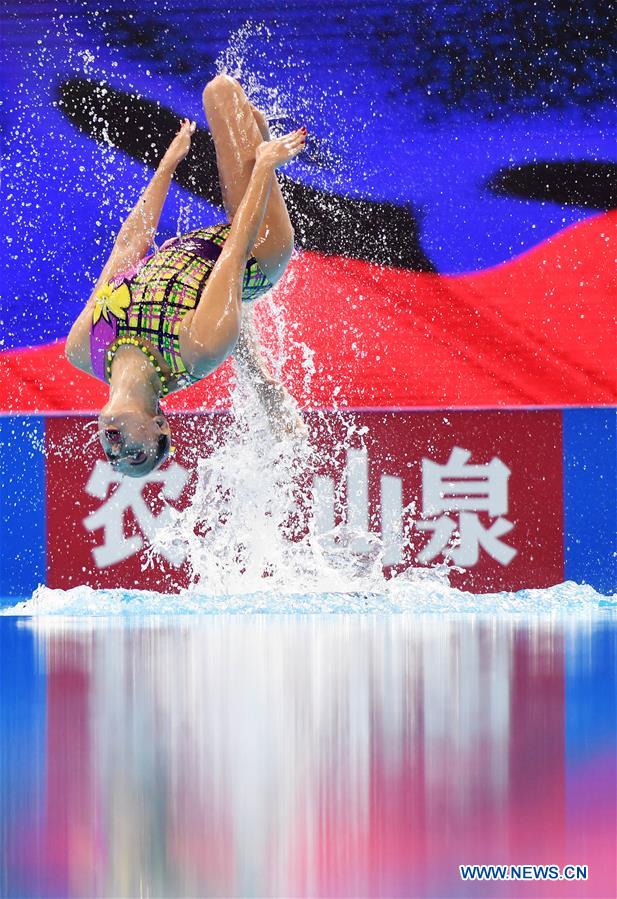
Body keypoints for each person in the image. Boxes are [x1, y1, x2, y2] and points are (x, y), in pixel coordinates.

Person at [65, 74, 306, 478]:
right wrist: (264, 165)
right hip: (257, 249)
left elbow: (127, 247)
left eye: (112, 459)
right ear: (161, 426)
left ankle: (265, 387)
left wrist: (169, 162)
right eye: (136, 456)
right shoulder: (197, 350)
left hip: (204, 252)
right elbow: (235, 250)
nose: (117, 451)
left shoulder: (83, 347)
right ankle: (258, 151)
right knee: (221, 91)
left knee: (231, 109)